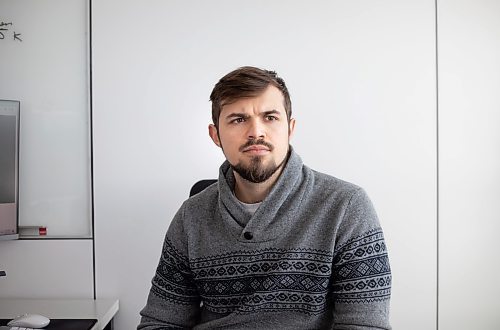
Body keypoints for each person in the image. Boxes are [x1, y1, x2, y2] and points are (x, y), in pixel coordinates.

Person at [138, 66, 392, 329]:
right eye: (238, 119)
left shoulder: (346, 207)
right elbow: (160, 320)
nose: (256, 132)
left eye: (270, 117)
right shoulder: (191, 215)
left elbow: (366, 325)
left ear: (290, 128)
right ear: (215, 136)